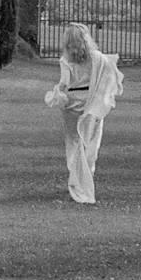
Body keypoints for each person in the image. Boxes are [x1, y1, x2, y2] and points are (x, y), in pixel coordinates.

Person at [44, 21, 124, 204]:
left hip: (72, 106)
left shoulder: (66, 60)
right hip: (92, 104)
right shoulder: (98, 58)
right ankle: (86, 176)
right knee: (91, 143)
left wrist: (57, 93)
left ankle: (77, 178)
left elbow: (64, 84)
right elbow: (110, 76)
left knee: (73, 142)